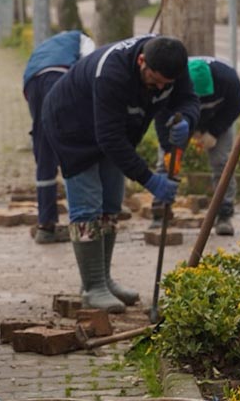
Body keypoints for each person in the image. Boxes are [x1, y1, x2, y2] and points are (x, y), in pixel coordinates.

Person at [40, 35, 199, 313]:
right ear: (141, 61)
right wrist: (150, 180)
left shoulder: (172, 63)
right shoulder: (111, 73)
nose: (160, 88)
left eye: (166, 84)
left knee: (112, 202)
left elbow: (188, 99)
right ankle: (92, 287)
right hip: (71, 126)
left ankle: (104, 279)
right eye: (155, 80)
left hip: (113, 130)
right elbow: (109, 139)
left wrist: (187, 118)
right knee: (88, 204)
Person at [156, 56, 240, 236]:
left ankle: (224, 214)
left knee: (222, 163)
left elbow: (237, 105)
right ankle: (160, 212)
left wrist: (213, 131)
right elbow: (160, 116)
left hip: (216, 119)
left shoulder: (227, 79)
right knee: (166, 163)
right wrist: (168, 148)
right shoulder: (171, 84)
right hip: (180, 121)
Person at [23, 29, 96, 243]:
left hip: (32, 84)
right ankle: (82, 220)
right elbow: (89, 66)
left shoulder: (45, 45)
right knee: (72, 147)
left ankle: (46, 225)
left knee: (44, 149)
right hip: (62, 79)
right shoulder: (82, 39)